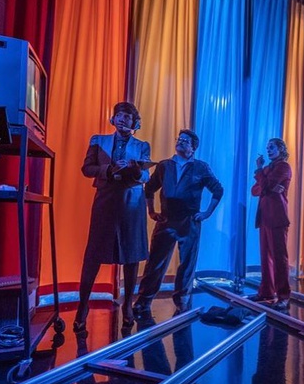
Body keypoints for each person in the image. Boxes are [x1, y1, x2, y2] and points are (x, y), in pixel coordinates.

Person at [73, 101, 152, 334]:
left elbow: (146, 175)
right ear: (113, 119)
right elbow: (86, 169)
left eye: (127, 117)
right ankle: (82, 306)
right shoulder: (98, 140)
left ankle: (128, 305)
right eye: (119, 115)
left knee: (131, 255)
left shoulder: (142, 145)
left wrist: (135, 168)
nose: (122, 120)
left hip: (131, 203)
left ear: (134, 123)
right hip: (106, 200)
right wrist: (108, 169)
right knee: (94, 254)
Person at [133, 129, 223, 317]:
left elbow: (218, 190)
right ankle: (143, 301)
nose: (181, 142)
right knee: (155, 262)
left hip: (189, 221)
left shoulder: (201, 167)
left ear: (193, 148)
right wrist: (151, 211)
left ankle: (182, 301)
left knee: (187, 263)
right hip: (166, 219)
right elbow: (149, 189)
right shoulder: (165, 166)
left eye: (185, 141)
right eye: (179, 139)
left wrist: (206, 213)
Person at [249, 138, 292, 309]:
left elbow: (267, 185)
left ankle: (283, 296)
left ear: (280, 149)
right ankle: (266, 291)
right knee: (265, 258)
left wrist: (262, 175)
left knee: (279, 257)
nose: (268, 150)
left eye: (271, 147)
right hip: (264, 217)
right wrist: (266, 184)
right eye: (267, 148)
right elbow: (255, 190)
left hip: (277, 217)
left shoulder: (283, 167)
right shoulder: (268, 169)